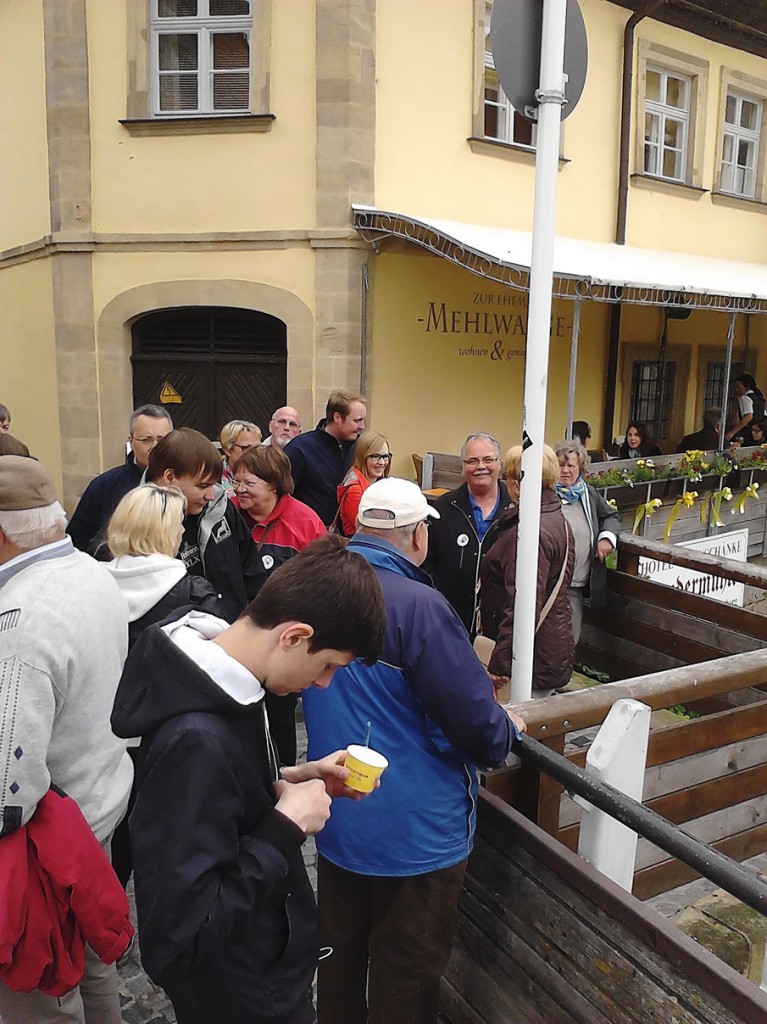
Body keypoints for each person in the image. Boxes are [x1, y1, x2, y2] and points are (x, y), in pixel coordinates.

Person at [110, 536, 387, 1024]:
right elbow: (180, 940)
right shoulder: (194, 740)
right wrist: (284, 826)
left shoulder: (233, 679)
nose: (324, 683)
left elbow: (221, 797)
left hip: (259, 970)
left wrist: (290, 777)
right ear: (294, 636)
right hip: (242, 997)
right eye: (327, 665)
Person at [302, 477, 525, 1024]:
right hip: (414, 833)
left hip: (339, 816)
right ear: (418, 535)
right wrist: (506, 730)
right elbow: (473, 725)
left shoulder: (317, 584)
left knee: (338, 961)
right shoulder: (420, 606)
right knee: (406, 975)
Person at [0, 456, 133, 1023]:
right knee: (92, 959)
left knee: (42, 987)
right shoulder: (90, 570)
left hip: (44, 845)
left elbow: (7, 793)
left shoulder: (21, 619)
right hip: (95, 808)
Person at [231, 444, 326, 764]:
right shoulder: (227, 514)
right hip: (237, 637)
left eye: (249, 483)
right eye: (236, 481)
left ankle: (283, 771)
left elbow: (323, 583)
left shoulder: (305, 522)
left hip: (283, 643)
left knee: (281, 718)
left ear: (274, 485)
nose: (239, 490)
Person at [479, 445, 574, 699]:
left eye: (509, 478)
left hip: (529, 659)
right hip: (547, 647)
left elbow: (522, 604)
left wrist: (500, 665)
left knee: (518, 721)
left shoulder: (530, 532)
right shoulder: (556, 519)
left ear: (519, 484)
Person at [146, 427, 266, 622]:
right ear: (169, 477)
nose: (210, 495)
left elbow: (252, 571)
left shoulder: (220, 507)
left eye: (213, 484)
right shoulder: (137, 525)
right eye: (202, 486)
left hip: (236, 629)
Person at [105, 483, 224, 650]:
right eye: (180, 523)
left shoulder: (96, 583)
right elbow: (219, 651)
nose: (183, 530)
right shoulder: (193, 591)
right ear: (165, 531)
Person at [423, 432, 510, 636]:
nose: (481, 466)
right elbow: (427, 564)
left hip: (500, 628)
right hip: (448, 624)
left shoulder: (515, 510)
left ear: (499, 463)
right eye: (472, 461)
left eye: (488, 459)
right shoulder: (443, 508)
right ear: (462, 467)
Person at [66, 403, 173, 554]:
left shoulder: (186, 483)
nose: (155, 447)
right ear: (131, 441)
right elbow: (77, 542)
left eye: (161, 440)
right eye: (146, 439)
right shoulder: (104, 486)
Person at [554, 440, 620, 643]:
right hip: (550, 585)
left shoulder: (588, 494)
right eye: (560, 465)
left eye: (570, 465)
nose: (565, 470)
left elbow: (611, 516)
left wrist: (606, 538)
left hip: (575, 586)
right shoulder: (545, 495)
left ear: (580, 468)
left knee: (569, 641)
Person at [286, 389, 366, 526]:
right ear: (337, 418)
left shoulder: (360, 447)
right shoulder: (300, 449)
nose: (362, 426)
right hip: (311, 532)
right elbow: (283, 494)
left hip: (352, 532)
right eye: (357, 420)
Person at [336, 429, 392, 536]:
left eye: (385, 456)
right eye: (375, 456)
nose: (382, 462)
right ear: (362, 457)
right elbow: (366, 528)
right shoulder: (354, 490)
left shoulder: (381, 483)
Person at [219, 419, 262, 493]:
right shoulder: (214, 476)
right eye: (246, 448)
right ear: (228, 449)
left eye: (257, 448)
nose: (254, 453)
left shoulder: (266, 473)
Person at [727, 374, 766, 443]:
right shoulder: (758, 397)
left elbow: (748, 417)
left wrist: (732, 432)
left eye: (739, 387)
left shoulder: (745, 398)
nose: (736, 390)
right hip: (761, 430)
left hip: (750, 430)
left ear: (746, 386)